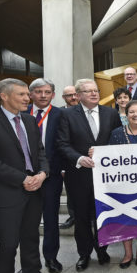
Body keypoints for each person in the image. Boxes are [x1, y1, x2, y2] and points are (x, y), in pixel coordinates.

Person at [0, 78, 62, 273]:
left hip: (34, 189)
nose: (29, 98)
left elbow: (40, 152)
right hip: (6, 193)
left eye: (28, 94)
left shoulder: (28, 120)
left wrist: (43, 173)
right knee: (7, 245)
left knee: (30, 237)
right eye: (22, 95)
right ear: (4, 96)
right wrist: (22, 179)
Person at [57, 79, 122, 272]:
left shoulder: (111, 113)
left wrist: (106, 153)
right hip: (78, 175)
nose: (94, 94)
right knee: (82, 217)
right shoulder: (66, 115)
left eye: (96, 90)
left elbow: (117, 140)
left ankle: (102, 250)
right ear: (78, 95)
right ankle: (84, 254)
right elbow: (62, 143)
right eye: (88, 91)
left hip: (106, 177)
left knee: (103, 214)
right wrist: (78, 158)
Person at [108, 100, 137, 268]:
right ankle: (127, 253)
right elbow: (109, 156)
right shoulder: (116, 134)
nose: (136, 115)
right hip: (123, 185)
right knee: (125, 218)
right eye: (132, 112)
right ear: (126, 115)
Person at [59, 85, 78, 230]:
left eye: (75, 94)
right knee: (71, 191)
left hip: (88, 157)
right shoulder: (59, 113)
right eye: (69, 95)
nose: (73, 97)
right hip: (68, 160)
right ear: (63, 98)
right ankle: (73, 216)